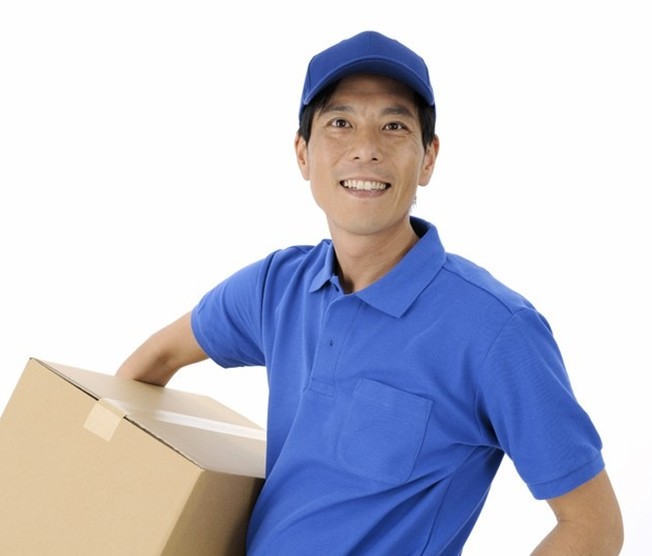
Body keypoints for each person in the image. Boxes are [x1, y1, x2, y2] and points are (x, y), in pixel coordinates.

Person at [117, 30, 623, 555]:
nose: (365, 149)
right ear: (302, 154)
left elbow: (594, 525)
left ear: (428, 158)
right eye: (340, 123)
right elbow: (155, 360)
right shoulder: (276, 287)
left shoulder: (495, 330)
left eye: (394, 126)